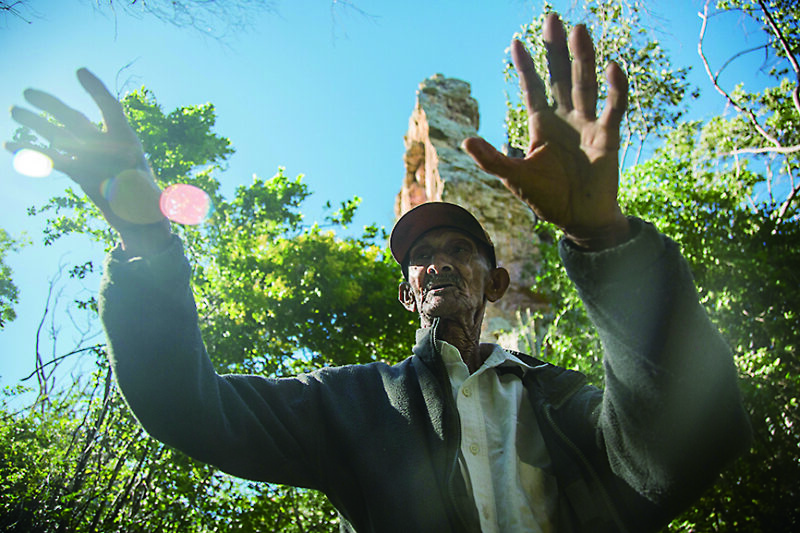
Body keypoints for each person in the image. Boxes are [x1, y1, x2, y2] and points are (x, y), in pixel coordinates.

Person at [8, 13, 750, 533]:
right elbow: (190, 406)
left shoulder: (567, 402)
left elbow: (690, 435)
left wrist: (603, 236)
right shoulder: (355, 403)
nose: (435, 262)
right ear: (406, 293)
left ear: (496, 283)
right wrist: (146, 245)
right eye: (419, 257)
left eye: (459, 248)